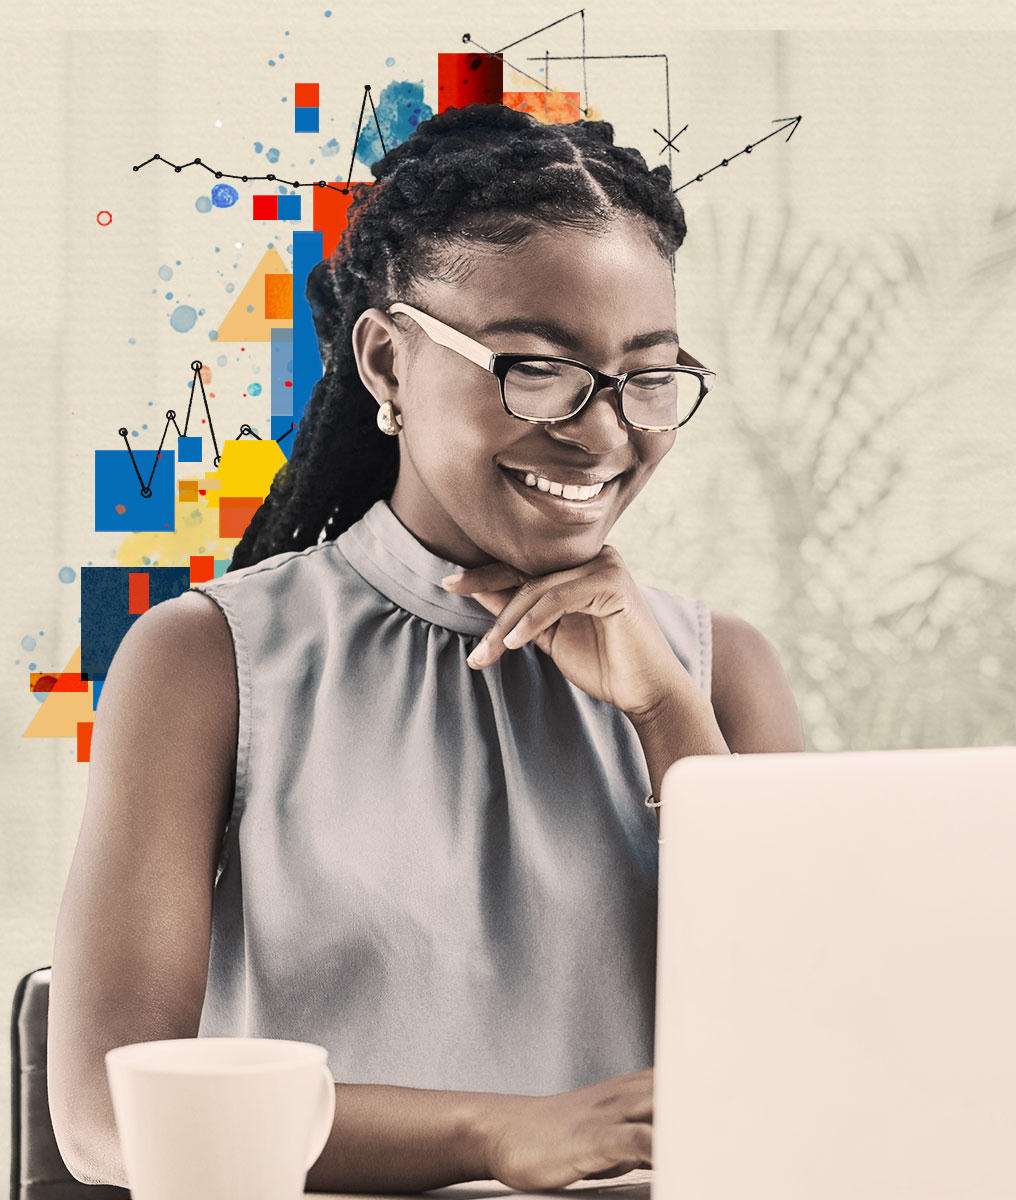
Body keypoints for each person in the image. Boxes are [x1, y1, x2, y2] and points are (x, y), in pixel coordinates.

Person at [48, 102, 803, 1195]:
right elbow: (109, 1115)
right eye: (535, 368)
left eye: (646, 377)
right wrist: (497, 1134)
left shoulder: (722, 669)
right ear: (389, 363)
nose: (603, 432)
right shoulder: (208, 661)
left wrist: (666, 714)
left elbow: (809, 1057)